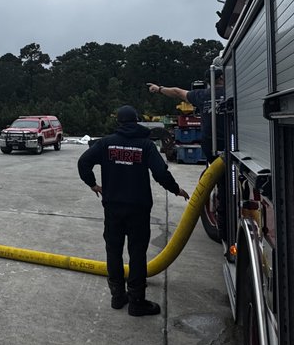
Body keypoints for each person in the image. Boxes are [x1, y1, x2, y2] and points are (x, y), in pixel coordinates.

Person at [77, 105, 189, 316]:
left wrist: (92, 184)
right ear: (137, 122)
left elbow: (83, 162)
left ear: (118, 123)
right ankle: (137, 301)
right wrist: (176, 190)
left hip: (113, 208)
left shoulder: (106, 144)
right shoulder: (145, 145)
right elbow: (160, 174)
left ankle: (117, 297)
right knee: (137, 253)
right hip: (138, 208)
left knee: (114, 250)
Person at [147, 72, 226, 162]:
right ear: (221, 78)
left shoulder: (201, 95)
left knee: (214, 170)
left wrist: (159, 89)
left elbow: (177, 92)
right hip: (231, 142)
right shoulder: (232, 93)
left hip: (209, 144)